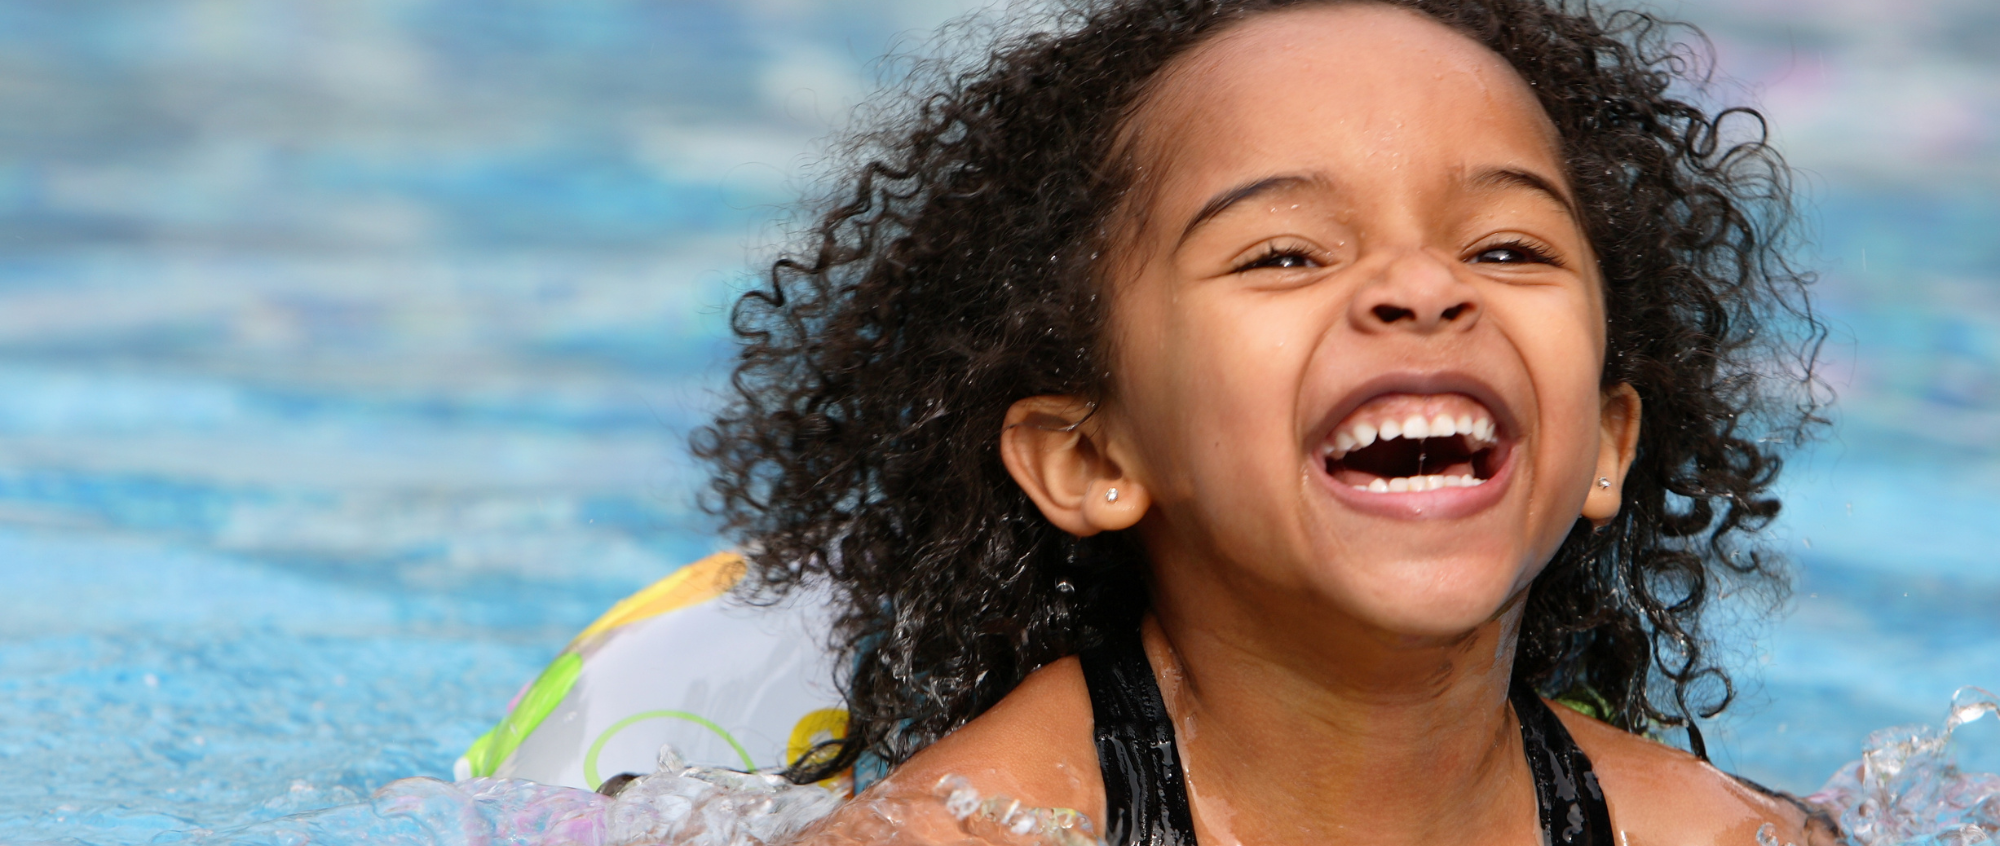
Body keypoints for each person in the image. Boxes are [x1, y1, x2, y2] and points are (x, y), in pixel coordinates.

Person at [693, 0, 1833, 842]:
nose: (1421, 288)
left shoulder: (1729, 837)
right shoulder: (962, 834)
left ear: (1604, 445)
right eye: (1283, 252)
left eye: (1504, 248)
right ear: (1091, 456)